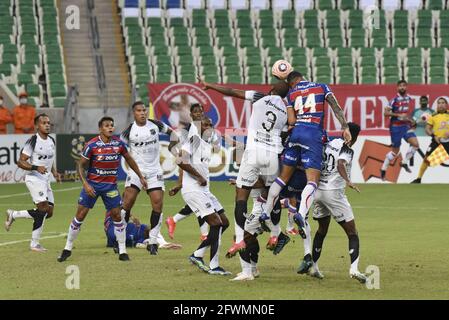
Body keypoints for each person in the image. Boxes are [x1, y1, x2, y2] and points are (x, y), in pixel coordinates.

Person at [197, 78, 291, 258]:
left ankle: (239, 238)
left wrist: (211, 86)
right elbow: (290, 128)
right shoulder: (287, 109)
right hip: (272, 154)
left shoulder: (260, 97)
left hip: (254, 151)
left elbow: (233, 91)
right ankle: (275, 234)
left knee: (241, 196)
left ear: (271, 90)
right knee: (273, 193)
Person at [262, 71, 351, 238]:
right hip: (312, 134)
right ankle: (301, 214)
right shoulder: (321, 87)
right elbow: (335, 105)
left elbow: (292, 122)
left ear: (292, 82)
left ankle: (265, 212)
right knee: (313, 181)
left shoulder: (291, 94)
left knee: (283, 178)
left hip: (296, 134)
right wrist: (345, 126)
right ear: (301, 77)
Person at [57, 116, 148, 262]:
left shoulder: (118, 144)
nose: (110, 128)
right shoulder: (92, 145)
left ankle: (122, 251)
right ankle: (67, 248)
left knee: (118, 216)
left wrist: (141, 176)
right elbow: (80, 165)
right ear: (100, 128)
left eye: (112, 125)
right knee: (80, 216)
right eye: (107, 125)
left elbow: (130, 160)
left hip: (110, 186)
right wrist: (85, 184)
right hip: (92, 186)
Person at [306, 122, 367, 283]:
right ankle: (354, 269)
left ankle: (314, 267)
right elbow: (341, 164)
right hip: (333, 193)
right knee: (352, 233)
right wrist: (348, 180)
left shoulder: (329, 143)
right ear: (355, 136)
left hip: (318, 192)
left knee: (321, 230)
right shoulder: (347, 149)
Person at [119, 101, 177, 255]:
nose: (143, 113)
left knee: (158, 204)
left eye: (144, 110)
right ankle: (121, 242)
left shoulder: (155, 124)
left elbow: (173, 133)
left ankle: (153, 242)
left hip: (154, 171)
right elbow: (119, 148)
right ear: (134, 113)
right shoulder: (128, 131)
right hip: (136, 172)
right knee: (127, 203)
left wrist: (174, 146)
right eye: (139, 111)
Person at [178, 117, 231, 275]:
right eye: (205, 125)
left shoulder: (207, 145)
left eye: (211, 125)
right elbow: (180, 160)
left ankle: (197, 255)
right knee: (216, 223)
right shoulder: (195, 140)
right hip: (193, 189)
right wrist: (198, 177)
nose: (208, 127)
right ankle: (214, 266)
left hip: (205, 191)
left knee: (225, 222)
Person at [5, 114, 61, 251]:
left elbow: (50, 158)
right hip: (34, 178)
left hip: (46, 179)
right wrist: (36, 167)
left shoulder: (51, 140)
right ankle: (34, 244)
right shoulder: (33, 141)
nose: (47, 125)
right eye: (44, 123)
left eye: (48, 122)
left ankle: (14, 214)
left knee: (49, 212)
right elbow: (20, 161)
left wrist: (54, 172)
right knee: (42, 209)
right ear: (37, 125)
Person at [165, 103, 211, 241]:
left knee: (200, 205)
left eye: (201, 111)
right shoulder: (189, 130)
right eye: (195, 112)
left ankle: (173, 220)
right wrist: (180, 183)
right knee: (202, 206)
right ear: (191, 115)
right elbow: (181, 157)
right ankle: (204, 235)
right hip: (193, 173)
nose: (199, 113)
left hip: (200, 171)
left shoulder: (202, 130)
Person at [381, 80, 419, 180]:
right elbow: (386, 113)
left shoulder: (409, 99)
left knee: (415, 144)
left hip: (406, 127)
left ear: (406, 87)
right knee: (395, 152)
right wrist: (397, 114)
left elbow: (408, 114)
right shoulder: (394, 100)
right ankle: (383, 169)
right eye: (400, 86)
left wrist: (412, 120)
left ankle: (404, 162)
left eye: (404, 86)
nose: (402, 87)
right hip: (395, 127)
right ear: (397, 88)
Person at [412, 97, 449, 183]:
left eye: (443, 103)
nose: (441, 105)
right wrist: (434, 136)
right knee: (426, 159)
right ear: (437, 105)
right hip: (436, 141)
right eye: (439, 103)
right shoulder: (433, 116)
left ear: (446, 105)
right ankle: (418, 179)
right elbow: (427, 129)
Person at [104, 211, 182, 250]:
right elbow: (137, 244)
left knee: (150, 233)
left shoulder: (112, 228)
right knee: (151, 232)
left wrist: (132, 217)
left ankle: (164, 244)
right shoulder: (112, 230)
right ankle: (164, 244)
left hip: (134, 235)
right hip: (135, 235)